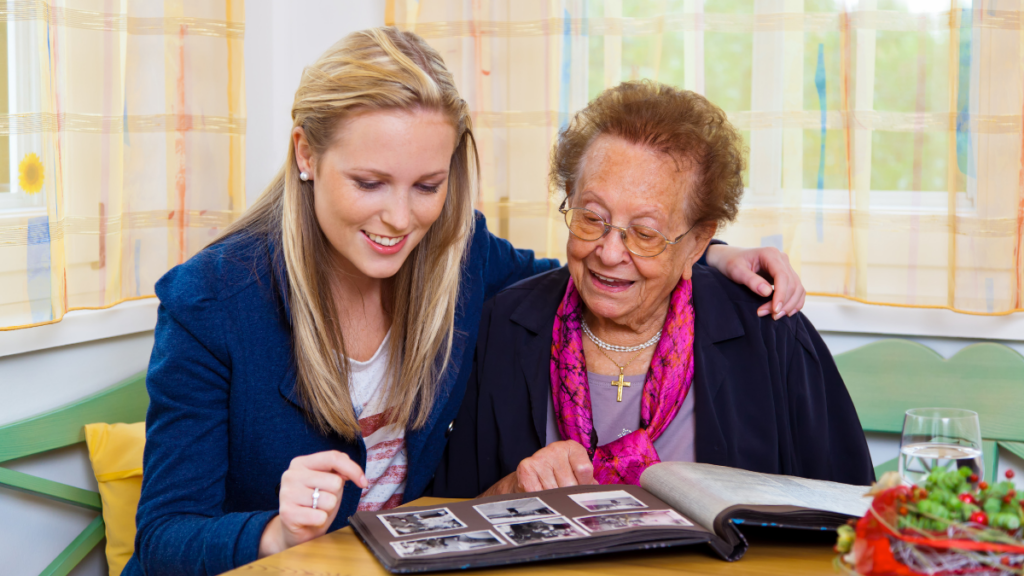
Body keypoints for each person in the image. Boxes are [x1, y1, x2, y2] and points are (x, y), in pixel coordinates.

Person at [124, 28, 808, 575]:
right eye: (369, 182)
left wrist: (706, 254)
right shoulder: (212, 298)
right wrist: (276, 531)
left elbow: (586, 272)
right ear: (306, 153)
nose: (399, 219)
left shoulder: (457, 253)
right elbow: (162, 539)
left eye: (427, 184)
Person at [432, 81, 874, 499]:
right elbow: (444, 519)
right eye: (591, 217)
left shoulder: (770, 332)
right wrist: (511, 493)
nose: (608, 252)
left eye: (644, 233)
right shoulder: (503, 328)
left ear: (698, 241)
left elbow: (850, 515)